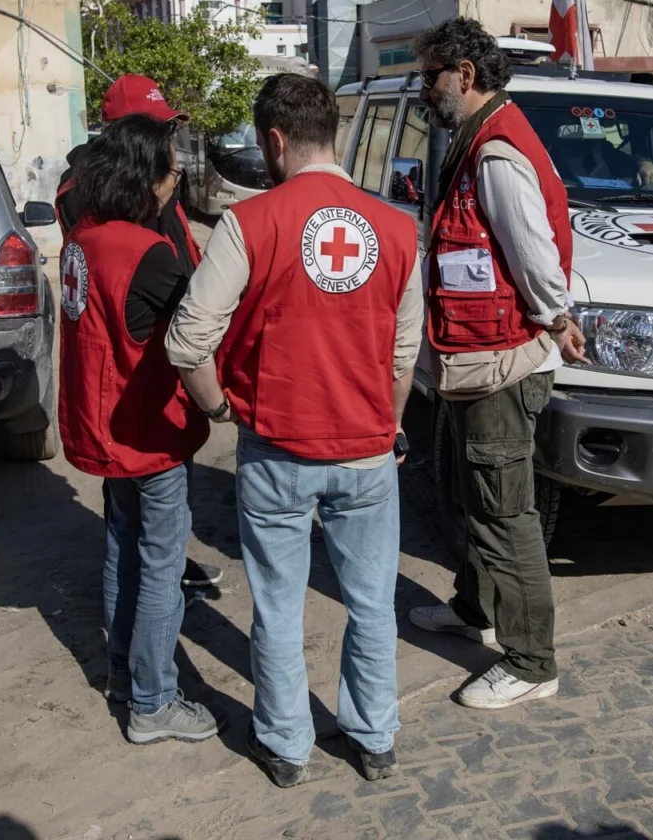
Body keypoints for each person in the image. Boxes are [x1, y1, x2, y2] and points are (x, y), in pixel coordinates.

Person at [166, 73, 421, 787]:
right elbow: (405, 357)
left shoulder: (250, 224)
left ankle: (286, 746)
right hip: (368, 449)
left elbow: (187, 343)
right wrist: (389, 425)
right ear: (332, 132)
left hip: (276, 445)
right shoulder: (400, 230)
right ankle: (374, 737)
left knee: (278, 604)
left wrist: (220, 409)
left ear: (274, 141)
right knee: (372, 602)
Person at [404, 18, 588, 711]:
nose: (425, 90)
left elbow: (535, 256)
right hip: (476, 361)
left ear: (466, 76)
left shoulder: (497, 153)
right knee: (474, 497)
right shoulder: (480, 139)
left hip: (501, 365)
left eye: (431, 77)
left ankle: (532, 661)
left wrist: (557, 318)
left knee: (505, 512)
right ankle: (474, 607)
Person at [58, 114, 220, 746]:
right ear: (143, 175)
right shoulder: (146, 251)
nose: (176, 177)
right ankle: (153, 702)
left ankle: (124, 674)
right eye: (169, 167)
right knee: (158, 566)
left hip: (103, 432)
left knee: (122, 549)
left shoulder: (83, 238)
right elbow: (199, 327)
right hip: (147, 434)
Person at [59, 74, 223, 594]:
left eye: (169, 130)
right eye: (158, 132)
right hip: (138, 380)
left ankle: (131, 647)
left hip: (138, 369)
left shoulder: (132, 191)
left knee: (135, 530)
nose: (170, 151)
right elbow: (143, 282)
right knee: (146, 541)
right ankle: (153, 657)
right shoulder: (100, 197)